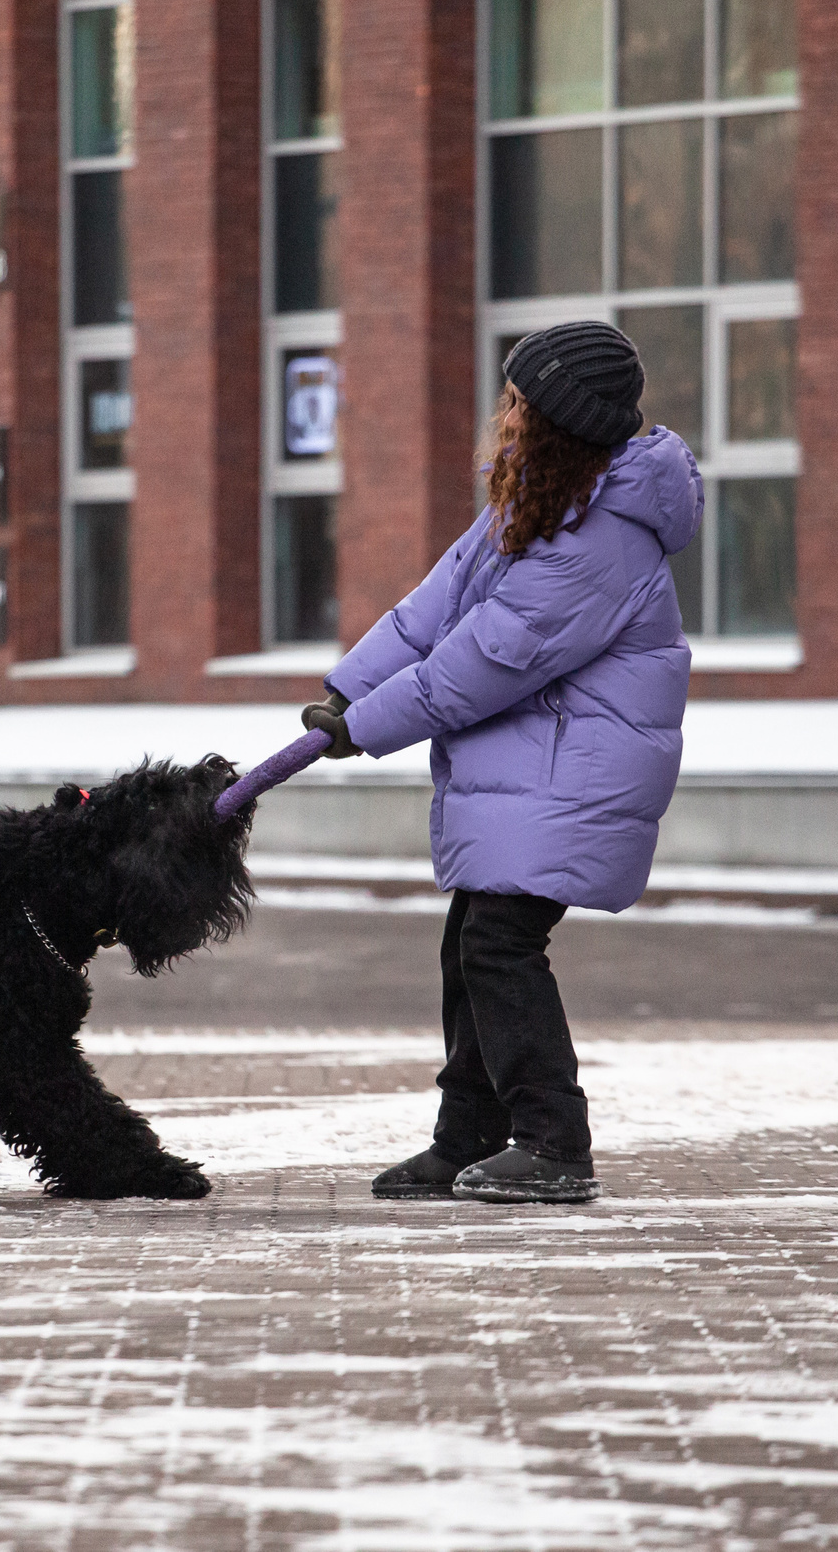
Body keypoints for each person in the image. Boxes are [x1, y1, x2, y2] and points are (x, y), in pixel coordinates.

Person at [302, 321, 700, 1204]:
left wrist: (364, 725)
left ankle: (555, 1140)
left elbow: (478, 664)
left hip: (573, 773)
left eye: (520, 402)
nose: (505, 416)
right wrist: (344, 690)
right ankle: (467, 1138)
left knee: (499, 943)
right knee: (471, 944)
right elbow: (432, 606)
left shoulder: (603, 543)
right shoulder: (538, 505)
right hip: (535, 768)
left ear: (560, 423)